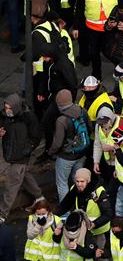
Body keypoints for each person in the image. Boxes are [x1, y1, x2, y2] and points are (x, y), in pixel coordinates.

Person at [0, 94, 43, 224]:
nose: (7, 110)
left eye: (9, 108)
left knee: (11, 185)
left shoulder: (29, 118)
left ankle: (2, 214)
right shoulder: (5, 115)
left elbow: (35, 137)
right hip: (11, 153)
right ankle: (39, 198)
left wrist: (25, 151)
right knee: (24, 175)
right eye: (6, 107)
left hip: (21, 157)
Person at [70, 0, 119, 79]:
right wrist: (76, 27)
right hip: (92, 28)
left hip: (109, 28)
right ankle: (96, 75)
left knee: (109, 52)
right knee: (94, 52)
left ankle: (121, 67)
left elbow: (121, 0)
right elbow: (79, 9)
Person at [48, 90, 89, 202]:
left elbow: (57, 143)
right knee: (78, 181)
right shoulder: (82, 111)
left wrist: (51, 152)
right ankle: (81, 203)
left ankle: (66, 209)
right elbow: (89, 128)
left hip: (66, 157)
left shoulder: (61, 120)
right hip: (81, 154)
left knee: (62, 183)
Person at [57, 167, 112, 245]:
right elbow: (64, 205)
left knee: (98, 249)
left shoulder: (98, 191)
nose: (79, 184)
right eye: (77, 181)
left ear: (88, 181)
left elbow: (108, 214)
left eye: (82, 181)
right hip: (82, 229)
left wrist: (94, 224)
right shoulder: (74, 189)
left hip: (98, 231)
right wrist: (53, 216)